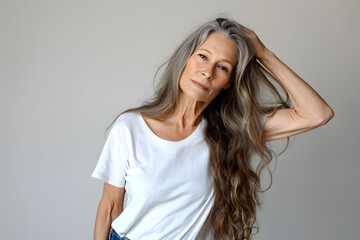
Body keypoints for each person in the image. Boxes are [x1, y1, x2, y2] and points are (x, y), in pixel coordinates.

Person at [91, 17, 334, 240]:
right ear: (186, 58)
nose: (207, 72)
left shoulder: (230, 131)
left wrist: (266, 54)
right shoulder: (130, 129)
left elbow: (317, 114)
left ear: (228, 82)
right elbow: (110, 208)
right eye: (203, 56)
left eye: (223, 67)